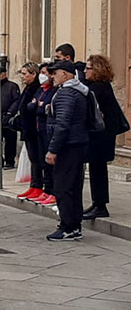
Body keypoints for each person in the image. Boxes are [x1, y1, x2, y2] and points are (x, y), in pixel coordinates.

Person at [45, 60, 90, 241]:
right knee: (74, 186)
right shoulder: (79, 91)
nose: (52, 76)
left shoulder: (66, 94)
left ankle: (68, 226)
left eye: (55, 73)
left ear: (65, 74)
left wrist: (52, 149)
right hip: (77, 144)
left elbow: (62, 124)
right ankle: (74, 225)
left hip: (68, 146)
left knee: (63, 187)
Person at [83, 55, 126, 220]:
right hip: (101, 134)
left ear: (97, 70)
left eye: (88, 68)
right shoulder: (99, 86)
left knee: (98, 169)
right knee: (96, 169)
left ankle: (100, 205)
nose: (85, 71)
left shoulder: (98, 88)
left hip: (101, 135)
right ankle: (97, 203)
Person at [29, 63, 57, 205]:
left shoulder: (53, 91)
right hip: (39, 128)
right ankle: (46, 190)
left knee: (50, 163)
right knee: (41, 160)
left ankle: (52, 191)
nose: (42, 75)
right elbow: (31, 106)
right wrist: (37, 105)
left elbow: (44, 109)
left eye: (44, 72)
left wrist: (38, 106)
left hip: (48, 130)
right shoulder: (40, 90)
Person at [14, 63, 43, 200]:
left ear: (34, 74)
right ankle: (34, 185)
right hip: (27, 129)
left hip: (34, 129)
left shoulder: (37, 88)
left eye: (25, 74)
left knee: (37, 159)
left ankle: (39, 186)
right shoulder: (28, 87)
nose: (22, 76)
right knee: (33, 159)